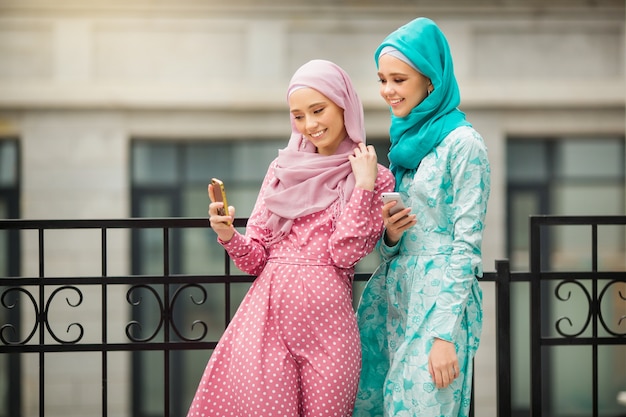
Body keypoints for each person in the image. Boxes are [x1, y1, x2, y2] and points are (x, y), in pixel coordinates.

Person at [187, 59, 395, 417]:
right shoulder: (282, 169)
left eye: (318, 110)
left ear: (343, 104)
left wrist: (362, 186)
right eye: (298, 116)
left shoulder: (376, 177)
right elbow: (254, 259)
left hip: (331, 334)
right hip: (267, 324)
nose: (310, 125)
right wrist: (227, 234)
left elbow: (345, 254)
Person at [353, 17, 491, 417]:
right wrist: (390, 237)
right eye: (382, 80)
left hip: (439, 306)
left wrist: (444, 335)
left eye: (398, 79)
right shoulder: (405, 145)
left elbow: (467, 246)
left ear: (430, 79)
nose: (387, 91)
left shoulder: (464, 145)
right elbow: (392, 247)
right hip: (398, 297)